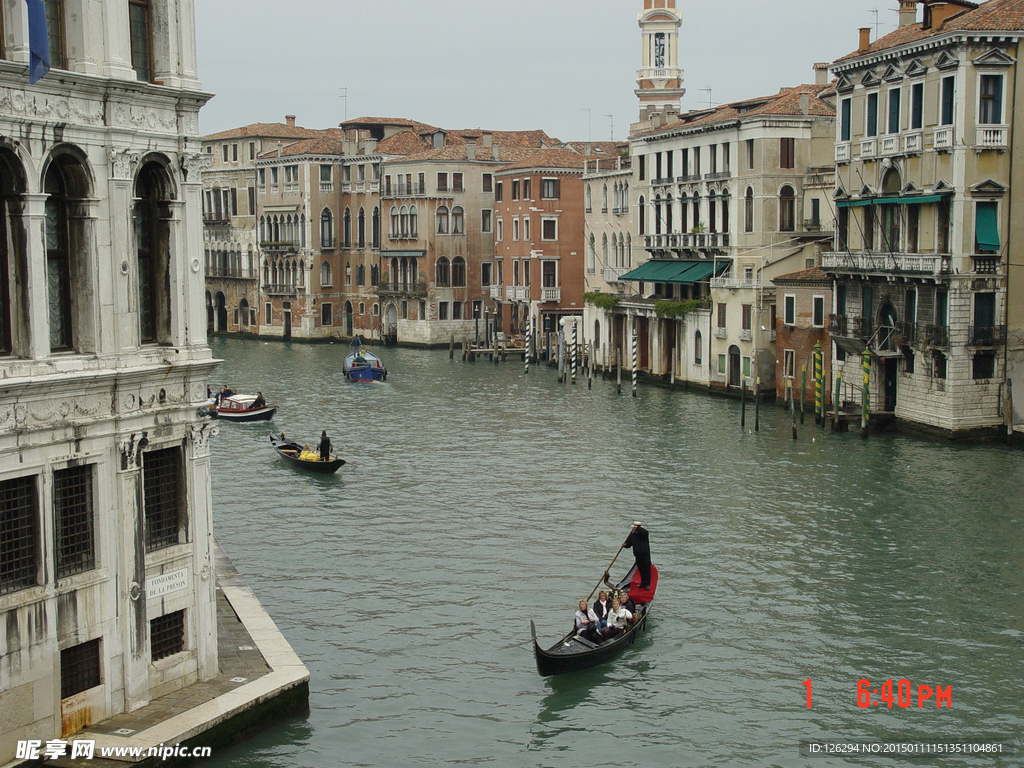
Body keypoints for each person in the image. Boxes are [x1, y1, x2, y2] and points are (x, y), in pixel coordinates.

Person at [623, 521, 652, 590]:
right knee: (641, 569)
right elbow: (629, 544)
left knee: (646, 569)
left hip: (645, 555)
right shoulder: (632, 535)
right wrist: (624, 545)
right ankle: (642, 582)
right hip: (637, 555)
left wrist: (638, 528)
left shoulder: (643, 535)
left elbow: (646, 532)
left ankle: (647, 584)